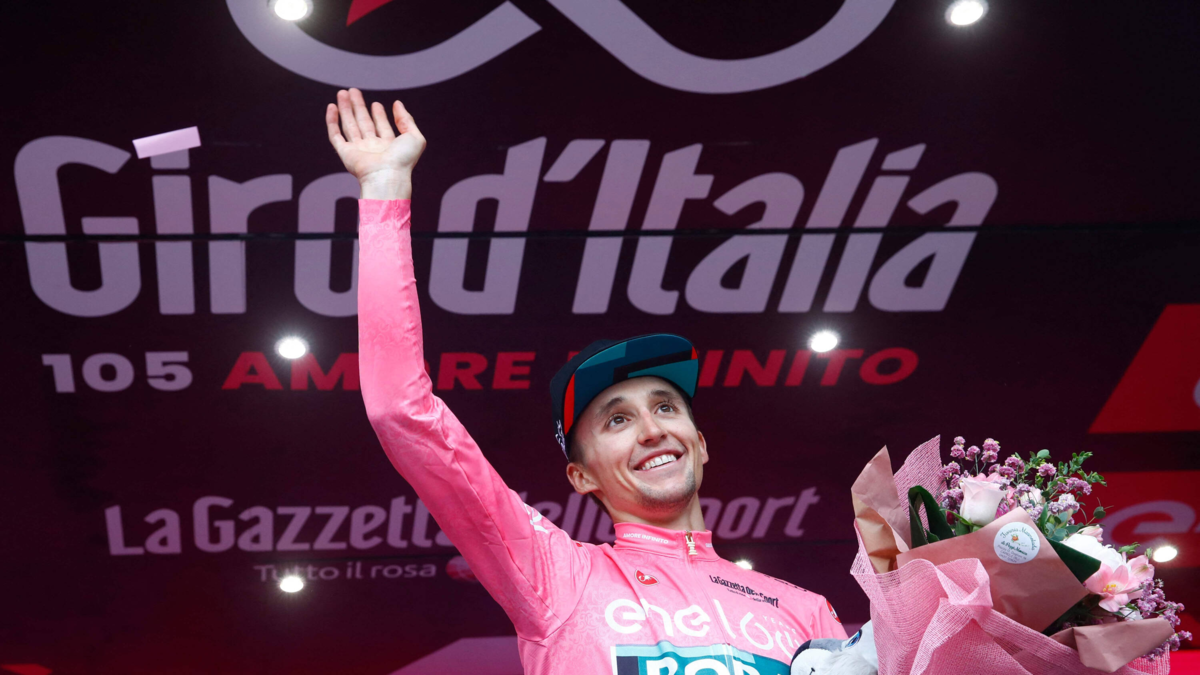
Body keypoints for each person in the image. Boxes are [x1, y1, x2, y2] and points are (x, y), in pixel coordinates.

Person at [327, 88, 847, 675]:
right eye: (617, 419)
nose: (652, 429)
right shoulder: (558, 577)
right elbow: (401, 410)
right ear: (581, 476)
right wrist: (385, 190)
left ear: (700, 442)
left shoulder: (808, 614)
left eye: (666, 407)